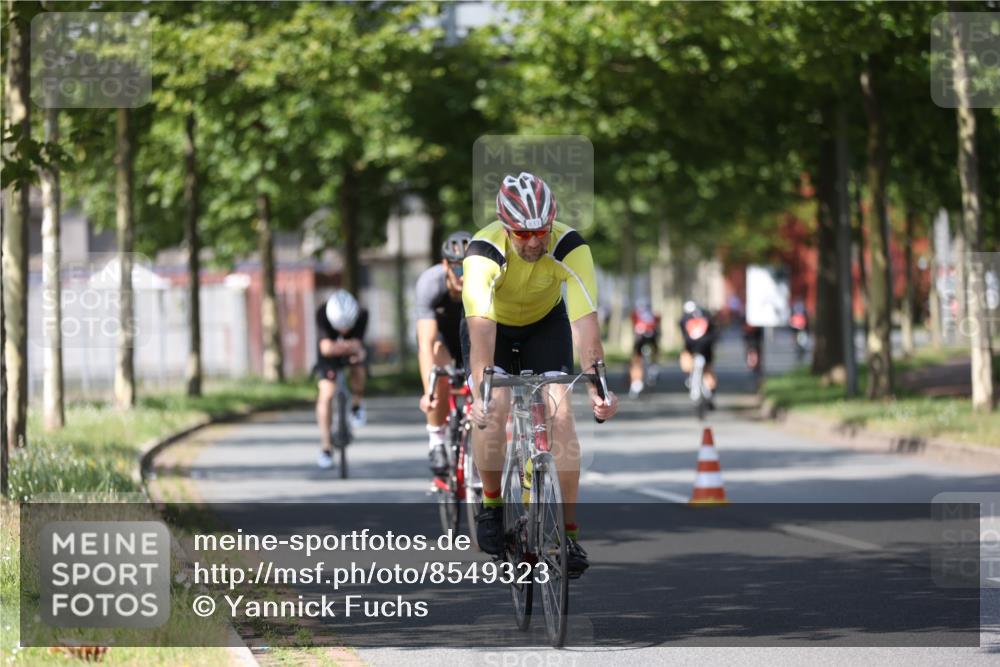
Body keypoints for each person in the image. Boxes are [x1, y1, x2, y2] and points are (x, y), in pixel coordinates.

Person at [462, 171, 619, 578]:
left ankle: (566, 534)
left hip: (544, 325)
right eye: (521, 234)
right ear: (505, 227)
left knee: (561, 413)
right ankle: (493, 507)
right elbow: (481, 328)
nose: (533, 242)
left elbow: (585, 324)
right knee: (494, 406)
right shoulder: (482, 251)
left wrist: (599, 387)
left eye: (541, 232)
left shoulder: (570, 246)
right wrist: (481, 394)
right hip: (492, 328)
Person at [416, 231, 472, 476]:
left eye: (468, 269)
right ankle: (437, 439)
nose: (463, 276)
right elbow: (426, 343)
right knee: (437, 358)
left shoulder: (485, 281)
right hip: (444, 341)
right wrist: (429, 389)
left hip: (473, 336)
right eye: (458, 269)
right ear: (445, 265)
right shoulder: (430, 284)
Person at [315, 289, 368, 469]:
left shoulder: (362, 315)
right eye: (339, 327)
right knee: (326, 393)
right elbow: (325, 349)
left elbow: (359, 347)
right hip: (328, 359)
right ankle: (326, 446)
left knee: (359, 368)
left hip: (350, 354)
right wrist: (349, 346)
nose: (343, 330)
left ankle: (356, 405)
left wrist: (346, 348)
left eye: (347, 327)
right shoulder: (322, 314)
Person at [678, 300, 718, 399]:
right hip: (706, 347)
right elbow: (714, 332)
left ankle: (691, 379)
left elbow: (684, 334)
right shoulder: (707, 316)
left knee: (687, 363)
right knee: (708, 370)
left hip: (691, 346)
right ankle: (710, 391)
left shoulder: (684, 319)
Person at [629, 299, 661, 397]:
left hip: (641, 339)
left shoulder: (635, 314)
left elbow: (634, 326)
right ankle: (654, 367)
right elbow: (658, 325)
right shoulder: (654, 314)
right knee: (654, 351)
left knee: (636, 359)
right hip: (651, 338)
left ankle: (637, 382)